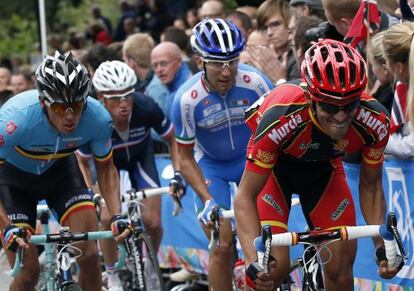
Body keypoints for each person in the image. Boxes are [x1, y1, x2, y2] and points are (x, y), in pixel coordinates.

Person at [234, 39, 402, 291]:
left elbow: (372, 186)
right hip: (274, 172)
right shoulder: (282, 115)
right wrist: (252, 261)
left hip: (324, 171)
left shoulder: (375, 120)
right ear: (311, 96)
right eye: (330, 106)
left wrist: (383, 247)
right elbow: (245, 197)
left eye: (350, 105)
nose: (341, 115)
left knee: (340, 268)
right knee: (269, 271)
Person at [0, 52, 128, 291]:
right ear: (42, 102)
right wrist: (5, 225)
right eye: (59, 107)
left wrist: (117, 215)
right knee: (28, 273)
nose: (70, 116)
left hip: (60, 173)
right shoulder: (15, 119)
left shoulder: (97, 117)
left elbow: (106, 167)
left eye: (77, 106)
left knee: (89, 255)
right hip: (13, 181)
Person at [171, 18, 273, 290]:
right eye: (217, 63)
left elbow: (277, 135)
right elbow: (184, 156)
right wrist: (206, 200)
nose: (227, 72)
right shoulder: (186, 98)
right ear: (199, 62)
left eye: (233, 61)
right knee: (222, 245)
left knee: (263, 240)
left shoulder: (257, 83)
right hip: (211, 167)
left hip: (250, 161)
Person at [76, 60, 185, 290]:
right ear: (102, 97)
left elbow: (173, 139)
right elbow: (82, 162)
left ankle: (149, 263)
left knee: (153, 222)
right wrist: (90, 191)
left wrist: (177, 174)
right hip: (105, 165)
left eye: (128, 95)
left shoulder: (145, 106)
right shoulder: (92, 118)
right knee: (106, 218)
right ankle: (112, 272)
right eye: (116, 98)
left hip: (139, 159)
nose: (124, 103)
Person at [382, 22, 414, 159]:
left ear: (399, 67)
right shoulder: (404, 86)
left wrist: (378, 139)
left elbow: (411, 146)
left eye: (387, 61)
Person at [151, 41, 192, 119]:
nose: (159, 69)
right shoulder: (174, 85)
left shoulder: (184, 93)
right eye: (155, 65)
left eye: (164, 64)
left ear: (179, 61)